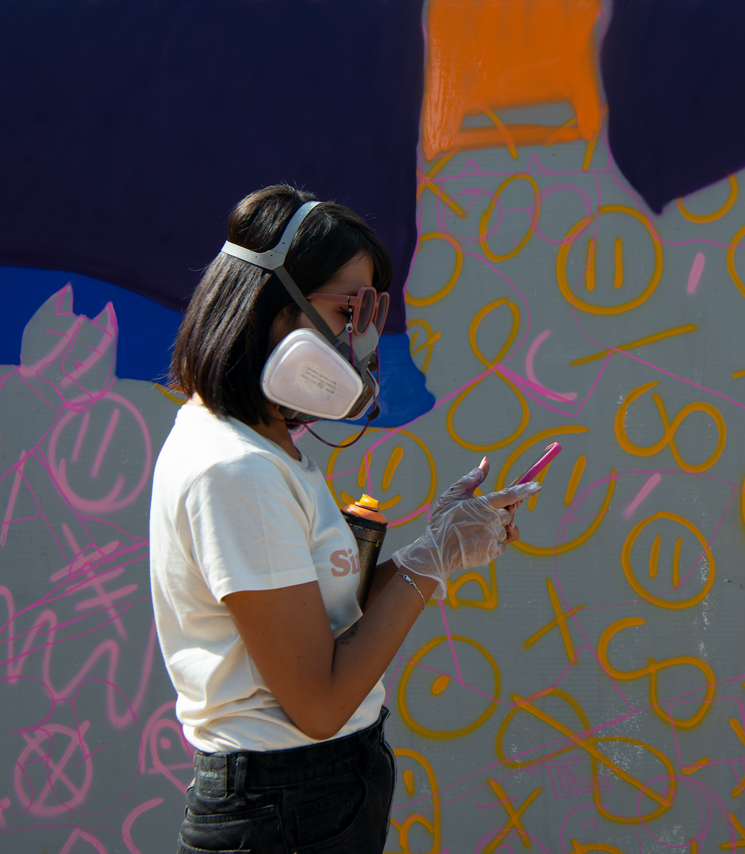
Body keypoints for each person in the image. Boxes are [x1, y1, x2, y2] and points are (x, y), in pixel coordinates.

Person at [149, 185, 539, 853]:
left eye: (366, 309)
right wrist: (430, 562)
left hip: (302, 799)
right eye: (344, 308)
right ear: (271, 306)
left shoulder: (261, 450)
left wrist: (439, 542)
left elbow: (325, 630)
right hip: (284, 805)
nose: (356, 335)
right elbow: (320, 703)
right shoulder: (235, 469)